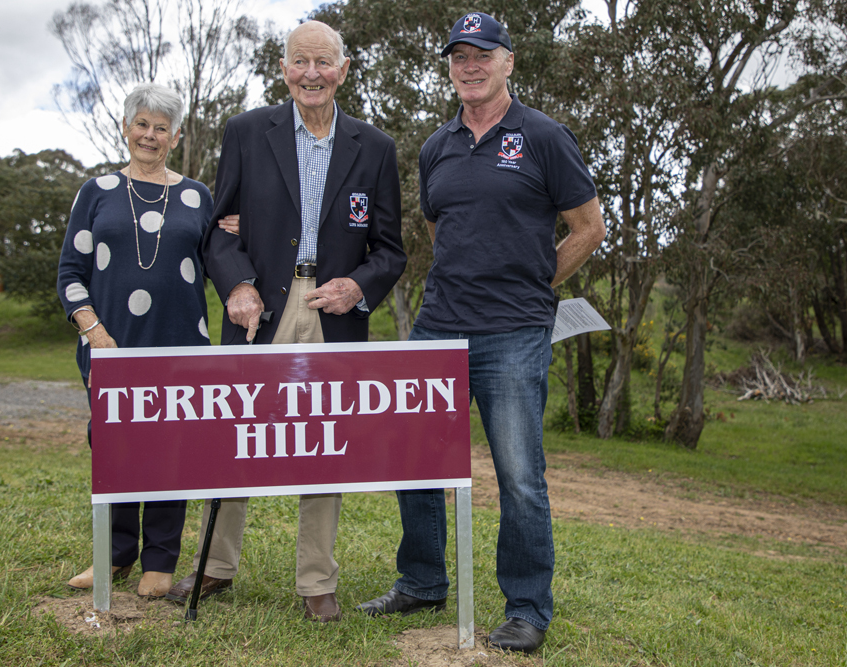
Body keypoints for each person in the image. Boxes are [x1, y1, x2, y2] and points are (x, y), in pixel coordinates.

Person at [358, 12, 606, 653]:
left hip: (514, 333)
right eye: (459, 57)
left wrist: (535, 283)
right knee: (414, 460)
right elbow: (439, 228)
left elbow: (588, 227)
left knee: (519, 476)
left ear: (508, 61)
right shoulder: (435, 147)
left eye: (483, 54)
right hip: (438, 327)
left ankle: (526, 608)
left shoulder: (544, 136)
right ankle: (421, 582)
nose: (470, 66)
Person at [164, 20, 406, 622]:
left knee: (323, 440)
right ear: (283, 69)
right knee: (235, 433)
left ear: (343, 71)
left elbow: (390, 250)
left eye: (324, 62)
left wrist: (358, 286)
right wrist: (238, 285)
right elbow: (218, 233)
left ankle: (317, 581)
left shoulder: (375, 147)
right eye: (300, 61)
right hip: (260, 309)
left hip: (334, 311)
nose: (311, 74)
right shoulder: (246, 132)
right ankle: (215, 565)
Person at [57, 82, 217, 599]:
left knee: (171, 447)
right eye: (141, 124)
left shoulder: (197, 196)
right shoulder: (97, 191)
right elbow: (70, 272)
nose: (150, 135)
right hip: (112, 345)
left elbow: (219, 258)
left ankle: (161, 559)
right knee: (116, 448)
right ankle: (115, 553)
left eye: (161, 127)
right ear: (126, 128)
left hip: (181, 346)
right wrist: (93, 331)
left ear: (176, 136)